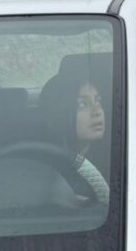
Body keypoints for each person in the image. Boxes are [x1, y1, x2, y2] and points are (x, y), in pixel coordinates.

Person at [37, 61, 110, 204]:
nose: (97, 111)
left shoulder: (118, 161)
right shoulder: (40, 166)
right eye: (83, 104)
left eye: (98, 101)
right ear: (58, 114)